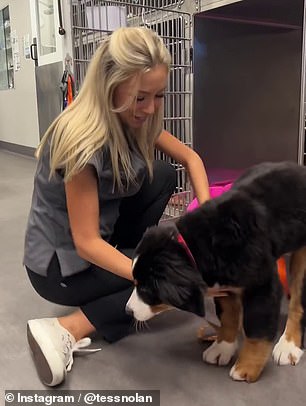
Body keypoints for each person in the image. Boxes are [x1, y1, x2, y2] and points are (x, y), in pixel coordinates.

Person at [24, 27, 210, 387]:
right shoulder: (80, 140)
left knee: (160, 173)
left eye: (158, 95)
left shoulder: (131, 117)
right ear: (112, 86)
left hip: (99, 238)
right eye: (142, 97)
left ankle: (129, 261)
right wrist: (151, 275)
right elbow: (85, 243)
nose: (152, 107)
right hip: (59, 266)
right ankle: (65, 327)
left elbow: (190, 158)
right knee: (173, 281)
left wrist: (207, 218)